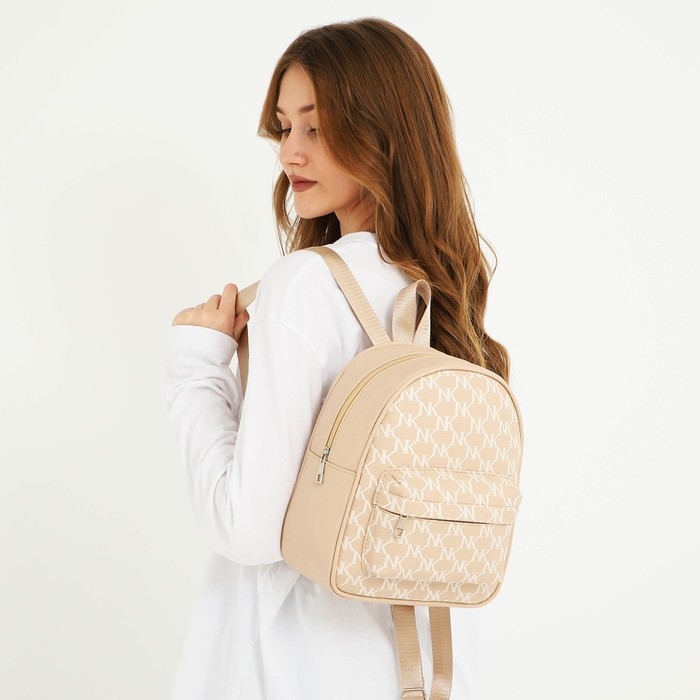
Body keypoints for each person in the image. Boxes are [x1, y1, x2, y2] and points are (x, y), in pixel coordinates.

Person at [165, 17, 510, 700]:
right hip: (431, 667)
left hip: (295, 665)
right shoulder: (447, 291)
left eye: (316, 128)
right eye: (283, 128)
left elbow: (247, 530)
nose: (290, 153)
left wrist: (197, 368)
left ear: (383, 133)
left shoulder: (306, 285)